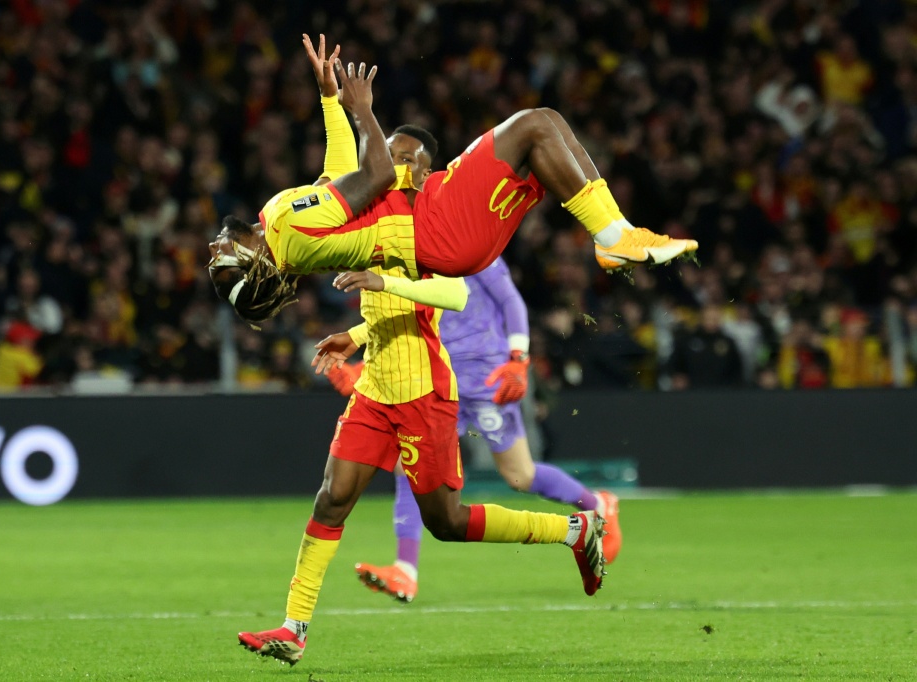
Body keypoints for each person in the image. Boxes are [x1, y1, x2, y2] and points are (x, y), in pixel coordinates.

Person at [236, 43, 608, 669]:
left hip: (425, 386)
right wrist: (330, 97)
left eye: (409, 159)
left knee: (449, 520)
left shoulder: (429, 229)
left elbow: (455, 291)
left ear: (427, 172)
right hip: (378, 382)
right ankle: (293, 627)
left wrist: (384, 283)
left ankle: (575, 528)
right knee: (332, 497)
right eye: (393, 155)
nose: (395, 163)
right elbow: (338, 169)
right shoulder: (361, 211)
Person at [208, 35, 698, 326]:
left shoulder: (277, 221)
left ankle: (614, 234)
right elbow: (375, 174)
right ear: (257, 266)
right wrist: (363, 114)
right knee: (532, 126)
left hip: (433, 218)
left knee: (544, 123)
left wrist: (329, 98)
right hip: (434, 230)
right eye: (225, 267)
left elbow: (335, 177)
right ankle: (613, 238)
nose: (215, 252)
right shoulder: (290, 238)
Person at [327, 256, 623, 604]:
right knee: (408, 464)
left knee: (519, 475)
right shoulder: (408, 248)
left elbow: (510, 299)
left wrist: (519, 357)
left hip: (486, 379)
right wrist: (366, 366)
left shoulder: (473, 246)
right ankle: (405, 570)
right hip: (434, 378)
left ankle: (598, 505)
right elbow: (405, 317)